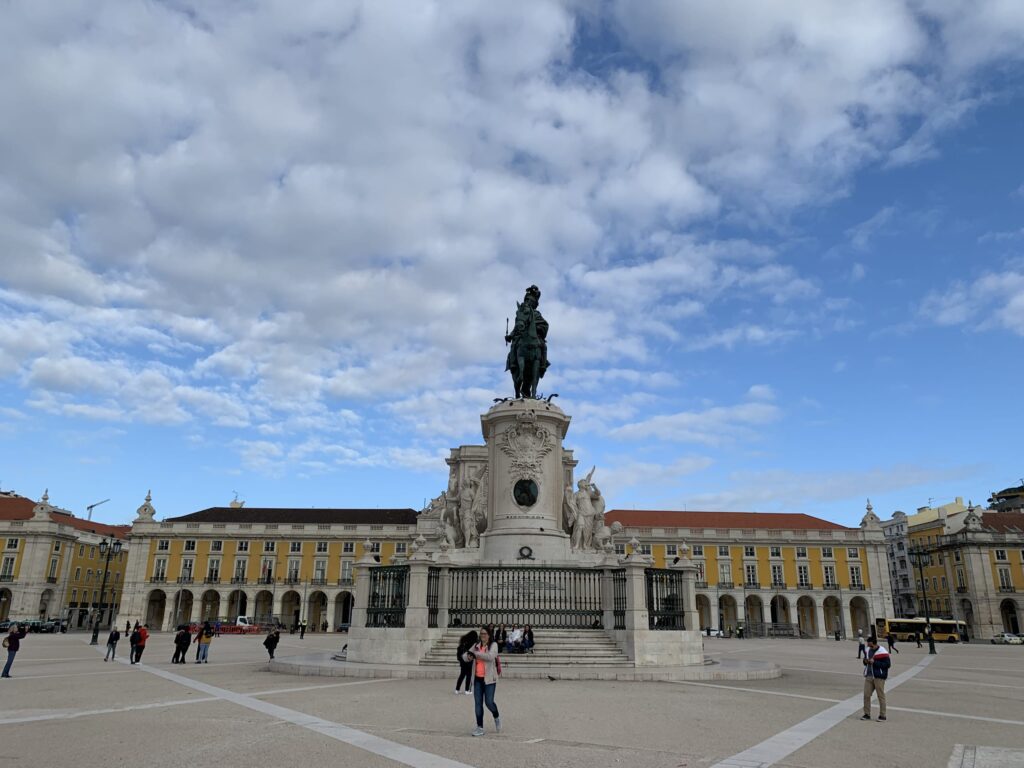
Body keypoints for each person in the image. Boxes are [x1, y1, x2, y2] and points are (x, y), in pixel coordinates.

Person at [462, 627, 501, 737]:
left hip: (489, 679)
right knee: (478, 704)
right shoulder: (476, 645)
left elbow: (490, 656)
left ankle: (496, 716)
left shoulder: (493, 645)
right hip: (478, 679)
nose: (482, 635)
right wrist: (469, 656)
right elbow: (465, 656)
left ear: (489, 635)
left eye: (484, 633)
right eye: (481, 634)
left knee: (489, 702)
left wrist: (476, 654)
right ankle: (480, 727)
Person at [860, 637, 891, 722]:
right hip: (869, 675)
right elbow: (864, 661)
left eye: (869, 643)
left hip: (879, 676)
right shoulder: (868, 650)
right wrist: (865, 661)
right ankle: (867, 714)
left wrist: (875, 662)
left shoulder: (882, 651)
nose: (867, 645)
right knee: (866, 695)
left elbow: (887, 664)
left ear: (873, 643)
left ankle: (882, 715)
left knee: (880, 696)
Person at [455, 629, 478, 695]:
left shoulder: (463, 641)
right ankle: (467, 690)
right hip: (468, 660)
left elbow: (459, 650)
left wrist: (460, 659)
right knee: (468, 675)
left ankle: (457, 689)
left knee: (462, 675)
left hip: (462, 660)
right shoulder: (472, 643)